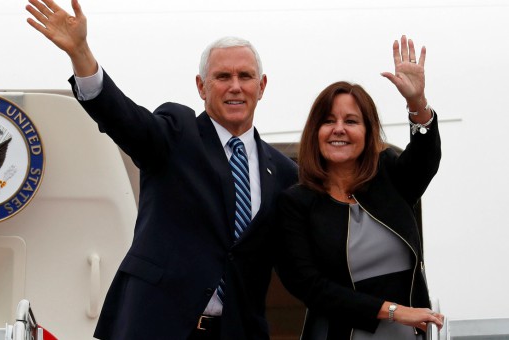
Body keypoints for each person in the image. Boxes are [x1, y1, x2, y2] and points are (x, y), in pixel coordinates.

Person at [25, 0, 298, 339]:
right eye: (222, 76)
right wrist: (81, 54)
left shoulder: (285, 172)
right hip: (156, 325)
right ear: (201, 86)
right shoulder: (177, 134)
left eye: (245, 76)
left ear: (262, 86)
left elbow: (301, 261)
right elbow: (123, 118)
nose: (235, 86)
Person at [276, 35, 445, 339]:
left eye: (351, 121)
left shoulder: (389, 175)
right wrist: (393, 311)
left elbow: (425, 159)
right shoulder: (296, 203)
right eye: (328, 121)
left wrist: (416, 103)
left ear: (368, 132)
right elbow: (310, 286)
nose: (338, 128)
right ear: (316, 132)